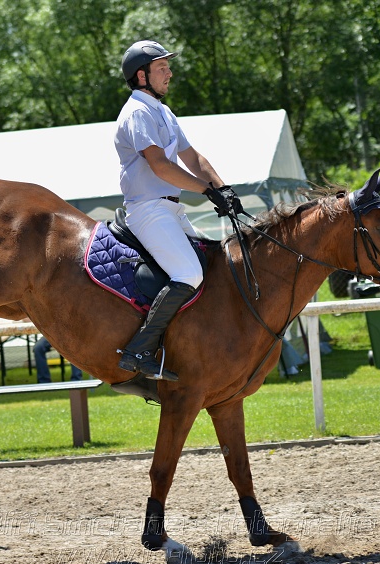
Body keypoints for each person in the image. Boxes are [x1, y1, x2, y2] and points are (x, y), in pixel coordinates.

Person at [114, 40, 242, 382]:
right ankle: (139, 350)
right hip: (147, 209)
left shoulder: (163, 112)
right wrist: (207, 191)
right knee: (189, 273)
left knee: (211, 267)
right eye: (162, 68)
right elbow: (159, 166)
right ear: (142, 76)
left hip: (170, 208)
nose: (169, 73)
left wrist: (223, 189)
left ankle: (189, 345)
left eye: (167, 67)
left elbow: (193, 158)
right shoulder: (137, 113)